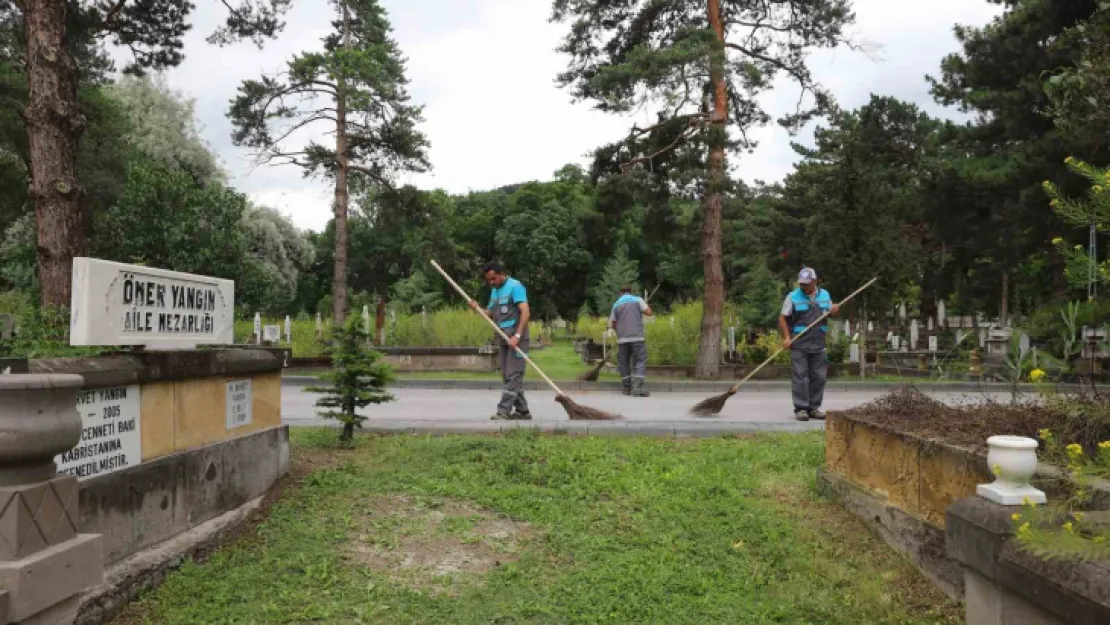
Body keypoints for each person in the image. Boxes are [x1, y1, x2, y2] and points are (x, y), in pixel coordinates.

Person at [470, 262, 532, 420]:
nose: (491, 282)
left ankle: (503, 411)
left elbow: (525, 312)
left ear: (502, 273)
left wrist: (517, 336)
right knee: (507, 375)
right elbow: (489, 313)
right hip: (503, 338)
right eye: (488, 280)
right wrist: (477, 308)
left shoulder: (515, 286)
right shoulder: (495, 291)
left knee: (512, 375)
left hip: (517, 339)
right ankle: (522, 411)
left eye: (494, 278)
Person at [779, 267, 839, 421]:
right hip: (799, 343)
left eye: (806, 283)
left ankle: (814, 408)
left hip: (819, 343)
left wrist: (833, 310)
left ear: (814, 281)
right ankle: (801, 408)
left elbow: (830, 312)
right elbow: (783, 318)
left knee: (819, 377)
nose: (803, 286)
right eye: (801, 283)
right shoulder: (792, 297)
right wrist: (786, 338)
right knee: (800, 377)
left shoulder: (825, 295)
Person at [610, 286, 654, 397]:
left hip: (622, 339)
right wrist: (644, 307)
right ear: (630, 292)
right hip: (637, 337)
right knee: (639, 360)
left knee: (624, 362)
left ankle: (627, 388)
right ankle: (637, 388)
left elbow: (613, 323)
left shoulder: (616, 304)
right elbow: (649, 312)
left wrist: (619, 332)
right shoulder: (637, 300)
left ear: (620, 293)